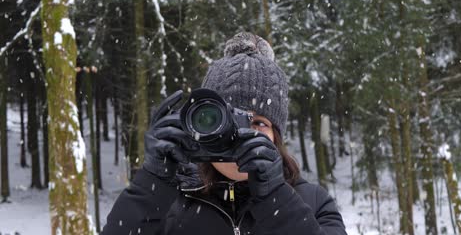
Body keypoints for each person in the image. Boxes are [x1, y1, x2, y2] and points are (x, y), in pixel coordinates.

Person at [102, 32, 347, 235]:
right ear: (199, 125)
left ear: (277, 137)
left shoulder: (311, 201)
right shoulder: (169, 204)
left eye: (258, 123)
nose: (242, 134)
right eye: (228, 120)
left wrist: (275, 199)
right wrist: (152, 182)